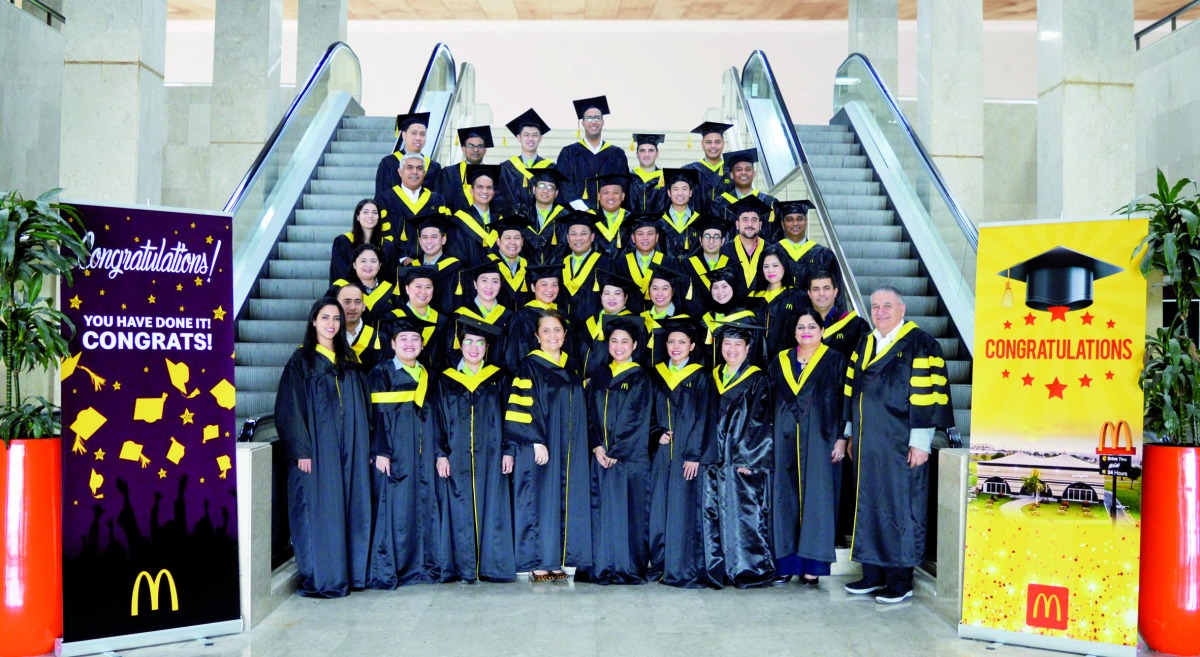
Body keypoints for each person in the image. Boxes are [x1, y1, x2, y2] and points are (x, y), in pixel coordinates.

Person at [843, 286, 954, 604]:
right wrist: (851, 433)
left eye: (887, 306)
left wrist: (921, 442)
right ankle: (872, 574)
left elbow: (930, 395)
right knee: (868, 505)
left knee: (901, 508)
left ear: (902, 309)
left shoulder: (921, 343)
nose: (880, 312)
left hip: (901, 444)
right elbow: (852, 392)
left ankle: (900, 579)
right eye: (875, 306)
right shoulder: (865, 343)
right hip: (868, 442)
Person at [274, 297, 372, 597]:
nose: (331, 324)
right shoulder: (302, 360)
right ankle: (323, 576)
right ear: (314, 321)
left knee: (350, 507)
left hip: (351, 449)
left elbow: (364, 407)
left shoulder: (350, 359)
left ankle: (353, 573)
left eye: (336, 319)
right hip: (319, 451)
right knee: (320, 511)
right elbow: (289, 408)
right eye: (325, 317)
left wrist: (364, 445)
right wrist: (301, 450)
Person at [503, 309, 593, 581]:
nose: (552, 335)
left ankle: (556, 561)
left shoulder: (572, 364)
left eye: (557, 330)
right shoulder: (530, 366)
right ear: (536, 336)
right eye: (546, 330)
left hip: (569, 448)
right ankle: (536, 562)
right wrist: (536, 440)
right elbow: (520, 406)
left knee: (560, 501)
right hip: (541, 446)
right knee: (539, 500)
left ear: (565, 334)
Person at [366, 316, 452, 588]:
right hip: (395, 454)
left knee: (426, 507)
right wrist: (380, 450)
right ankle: (391, 570)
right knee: (395, 511)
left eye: (415, 338)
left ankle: (426, 567)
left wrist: (440, 453)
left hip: (425, 456)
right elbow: (375, 416)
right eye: (403, 339)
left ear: (423, 344)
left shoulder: (430, 376)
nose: (410, 343)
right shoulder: (381, 373)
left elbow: (439, 418)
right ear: (392, 344)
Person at [767, 310, 849, 586]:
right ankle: (786, 563)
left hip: (822, 441)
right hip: (783, 439)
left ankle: (813, 565)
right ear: (793, 332)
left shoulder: (836, 361)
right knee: (783, 498)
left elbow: (845, 403)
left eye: (811, 326)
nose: (805, 331)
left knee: (819, 500)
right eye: (800, 327)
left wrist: (842, 437)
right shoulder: (780, 361)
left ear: (822, 330)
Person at [435, 316, 516, 583]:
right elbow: (436, 420)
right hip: (456, 456)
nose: (473, 348)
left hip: (492, 456)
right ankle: (462, 568)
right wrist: (440, 453)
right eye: (468, 341)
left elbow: (511, 417)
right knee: (458, 510)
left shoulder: (499, 379)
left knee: (494, 507)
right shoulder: (445, 380)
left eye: (479, 343)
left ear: (487, 347)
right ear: (459, 344)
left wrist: (509, 450)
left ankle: (492, 567)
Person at [579, 314, 653, 585]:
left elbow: (638, 419)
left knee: (627, 513)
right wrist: (597, 446)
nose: (619, 346)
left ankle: (626, 567)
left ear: (635, 345)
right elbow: (588, 415)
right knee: (599, 510)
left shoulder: (642, 378)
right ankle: (599, 567)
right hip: (599, 458)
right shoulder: (599, 375)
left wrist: (616, 451)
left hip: (628, 461)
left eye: (625, 341)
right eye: (614, 341)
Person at [701, 317, 774, 588]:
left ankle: (748, 569)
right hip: (713, 459)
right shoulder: (713, 376)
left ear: (747, 348)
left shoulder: (757, 379)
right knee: (713, 512)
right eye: (727, 344)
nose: (731, 349)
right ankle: (717, 568)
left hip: (740, 461)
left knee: (743, 513)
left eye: (737, 344)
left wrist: (749, 458)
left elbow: (760, 421)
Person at [648, 318, 715, 588]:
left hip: (687, 458)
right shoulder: (655, 374)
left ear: (692, 346)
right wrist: (656, 433)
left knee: (684, 508)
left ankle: (683, 565)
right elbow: (645, 413)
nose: (676, 347)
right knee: (659, 507)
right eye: (672, 341)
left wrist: (694, 454)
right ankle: (661, 564)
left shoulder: (701, 377)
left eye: (682, 342)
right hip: (662, 455)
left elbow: (704, 418)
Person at [555, 96, 630, 211]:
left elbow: (622, 184)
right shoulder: (569, 153)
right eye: (589, 118)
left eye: (597, 118)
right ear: (583, 123)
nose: (593, 122)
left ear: (603, 122)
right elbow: (565, 185)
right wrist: (584, 210)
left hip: (608, 215)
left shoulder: (616, 154)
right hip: (577, 216)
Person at [375, 151, 452, 259]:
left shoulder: (437, 200)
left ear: (424, 173)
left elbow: (445, 230)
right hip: (396, 265)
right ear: (400, 172)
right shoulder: (386, 199)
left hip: (430, 263)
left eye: (419, 168)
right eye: (409, 167)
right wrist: (402, 257)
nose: (414, 172)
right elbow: (383, 232)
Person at [503, 264, 568, 377]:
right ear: (533, 287)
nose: (550, 289)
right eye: (544, 284)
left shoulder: (563, 315)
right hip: (535, 380)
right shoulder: (522, 317)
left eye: (554, 285)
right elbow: (516, 355)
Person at [576, 269, 639, 383]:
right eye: (607, 293)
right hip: (583, 385)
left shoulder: (631, 324)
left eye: (617, 293)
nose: (611, 298)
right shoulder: (591, 321)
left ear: (626, 298)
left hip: (610, 387)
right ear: (601, 297)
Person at [451, 260, 513, 374]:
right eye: (484, 280)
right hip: (466, 381)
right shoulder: (460, 315)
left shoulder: (509, 317)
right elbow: (451, 353)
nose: (489, 286)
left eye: (495, 281)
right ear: (475, 284)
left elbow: (511, 354)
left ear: (500, 285)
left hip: (499, 380)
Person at [385, 266, 450, 370]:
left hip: (434, 380)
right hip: (399, 379)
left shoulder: (442, 320)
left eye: (428, 287)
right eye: (418, 287)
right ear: (407, 288)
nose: (423, 292)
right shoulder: (393, 318)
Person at [752, 244, 808, 359]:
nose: (770, 270)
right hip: (755, 360)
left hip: (787, 360)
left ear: (784, 266)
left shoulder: (798, 297)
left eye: (775, 265)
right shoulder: (753, 298)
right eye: (766, 266)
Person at [400, 214, 463, 315]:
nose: (429, 241)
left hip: (446, 326)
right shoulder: (411, 268)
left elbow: (460, 303)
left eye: (434, 237)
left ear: (443, 240)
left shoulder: (456, 268)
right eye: (425, 237)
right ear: (420, 241)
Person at [711, 149, 778, 241]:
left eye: (748, 169)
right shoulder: (720, 204)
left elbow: (776, 236)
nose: (743, 173)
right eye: (739, 169)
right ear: (731, 175)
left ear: (754, 174)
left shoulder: (769, 202)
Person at [699, 265, 760, 366]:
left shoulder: (747, 319)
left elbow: (755, 354)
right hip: (709, 378)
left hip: (740, 377)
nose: (720, 292)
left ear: (733, 287)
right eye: (715, 287)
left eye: (724, 286)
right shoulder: (705, 319)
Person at [558, 212, 610, 330]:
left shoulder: (605, 264)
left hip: (592, 330)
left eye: (584, 233)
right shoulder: (560, 264)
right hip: (564, 330)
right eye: (573, 234)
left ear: (592, 237)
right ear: (567, 238)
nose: (578, 238)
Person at [498, 108, 554, 216]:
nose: (531, 139)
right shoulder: (506, 168)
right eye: (526, 135)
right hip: (514, 225)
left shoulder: (550, 168)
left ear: (540, 138)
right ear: (519, 137)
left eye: (535, 135)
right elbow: (501, 200)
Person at [375, 112, 441, 198]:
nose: (418, 138)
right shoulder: (389, 163)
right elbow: (381, 196)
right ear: (404, 135)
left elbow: (438, 199)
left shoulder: (433, 167)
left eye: (422, 134)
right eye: (414, 133)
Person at [330, 199, 396, 285]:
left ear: (379, 217)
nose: (370, 216)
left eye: (375, 213)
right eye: (365, 212)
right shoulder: (342, 242)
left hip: (379, 295)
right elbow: (340, 273)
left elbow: (390, 275)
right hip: (350, 293)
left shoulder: (387, 246)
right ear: (357, 216)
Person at [449, 164, 504, 266]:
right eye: (480, 187)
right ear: (471, 191)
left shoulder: (500, 221)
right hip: (469, 277)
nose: (485, 191)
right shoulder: (459, 221)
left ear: (493, 192)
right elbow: (457, 256)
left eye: (489, 188)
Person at [641, 264, 695, 367]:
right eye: (655, 288)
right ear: (649, 291)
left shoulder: (684, 320)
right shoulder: (642, 319)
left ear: (672, 291)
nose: (659, 293)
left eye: (665, 288)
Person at [807, 271, 869, 359]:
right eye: (816, 289)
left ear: (835, 292)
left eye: (826, 288)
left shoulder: (856, 325)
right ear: (809, 294)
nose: (821, 293)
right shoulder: (797, 324)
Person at [436, 125, 496, 213]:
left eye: (480, 146)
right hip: (455, 224)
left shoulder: (493, 174)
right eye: (471, 146)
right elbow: (443, 202)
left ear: (485, 150)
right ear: (463, 149)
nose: (475, 150)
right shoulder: (449, 173)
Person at [774, 200, 835, 287]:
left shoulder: (823, 254)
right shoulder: (772, 252)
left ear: (806, 222)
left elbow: (835, 288)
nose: (795, 223)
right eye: (789, 220)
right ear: (783, 224)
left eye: (800, 219)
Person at [332, 243, 396, 323]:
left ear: (379, 265)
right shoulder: (340, 287)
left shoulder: (391, 290)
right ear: (354, 264)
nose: (368, 265)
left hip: (382, 335)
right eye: (363, 261)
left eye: (373, 261)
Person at [720, 195, 771, 291]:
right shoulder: (723, 251)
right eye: (745, 219)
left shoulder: (771, 251)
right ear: (737, 224)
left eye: (754, 220)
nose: (750, 224)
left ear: (760, 225)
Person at [684, 215, 732, 317]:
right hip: (696, 324)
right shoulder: (687, 266)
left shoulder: (733, 266)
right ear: (700, 240)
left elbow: (739, 296)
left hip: (726, 324)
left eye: (716, 237)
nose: (711, 241)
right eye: (707, 236)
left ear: (722, 241)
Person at [610, 213, 666, 300]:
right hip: (630, 313)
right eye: (640, 234)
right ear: (633, 238)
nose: (645, 238)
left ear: (657, 237)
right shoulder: (621, 265)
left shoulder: (668, 263)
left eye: (650, 234)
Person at [682, 121, 733, 215]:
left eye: (717, 142)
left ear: (723, 143)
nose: (713, 146)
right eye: (708, 142)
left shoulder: (732, 172)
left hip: (726, 226)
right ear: (702, 144)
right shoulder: (689, 170)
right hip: (696, 226)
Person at [522, 168, 570, 265]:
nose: (545, 191)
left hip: (556, 273)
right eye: (541, 186)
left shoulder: (566, 217)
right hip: (527, 273)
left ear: (556, 193)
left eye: (550, 187)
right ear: (534, 189)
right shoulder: (522, 216)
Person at [335, 281, 385, 371]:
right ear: (337, 306)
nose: (353, 307)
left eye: (358, 302)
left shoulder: (381, 340)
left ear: (364, 306)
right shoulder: (328, 339)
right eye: (347, 302)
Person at [487, 215, 532, 308]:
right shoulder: (486, 264)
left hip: (524, 320)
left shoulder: (530, 266)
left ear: (522, 241)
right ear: (498, 241)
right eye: (507, 238)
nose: (512, 242)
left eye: (517, 238)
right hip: (496, 319)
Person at [658, 168, 703, 263]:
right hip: (666, 272)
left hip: (692, 272)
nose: (680, 193)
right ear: (669, 193)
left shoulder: (699, 220)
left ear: (690, 193)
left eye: (684, 189)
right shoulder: (659, 221)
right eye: (675, 189)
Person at [589, 172, 633, 259]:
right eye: (606, 193)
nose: (611, 197)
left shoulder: (631, 220)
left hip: (624, 270)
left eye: (615, 193)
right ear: (598, 196)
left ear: (623, 196)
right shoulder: (589, 218)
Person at [628, 134, 666, 213]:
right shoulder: (628, 179)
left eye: (651, 150)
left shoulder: (665, 180)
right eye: (642, 151)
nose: (646, 155)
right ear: (637, 154)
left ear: (657, 154)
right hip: (632, 224)